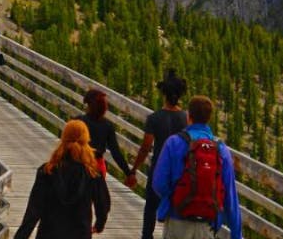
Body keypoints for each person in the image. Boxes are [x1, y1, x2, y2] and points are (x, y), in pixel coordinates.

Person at [152, 96, 242, 239]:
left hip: (178, 219)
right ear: (209, 118)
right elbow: (230, 196)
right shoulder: (220, 149)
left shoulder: (174, 142)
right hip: (207, 224)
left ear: (189, 116)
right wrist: (236, 234)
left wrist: (175, 198)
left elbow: (159, 184)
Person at [15, 120, 110, 239]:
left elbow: (33, 212)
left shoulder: (47, 171)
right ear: (86, 140)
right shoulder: (93, 174)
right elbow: (103, 204)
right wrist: (99, 224)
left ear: (63, 139)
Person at [130, 69, 189, 239]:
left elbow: (145, 147)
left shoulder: (154, 118)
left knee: (150, 208)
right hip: (180, 170)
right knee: (177, 209)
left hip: (158, 168)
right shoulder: (186, 118)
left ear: (163, 94)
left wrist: (134, 169)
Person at [74, 89, 135, 188]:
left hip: (80, 165)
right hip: (98, 166)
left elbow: (67, 145)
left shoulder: (78, 121)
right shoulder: (108, 126)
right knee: (98, 199)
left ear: (88, 106)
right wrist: (128, 173)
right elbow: (116, 153)